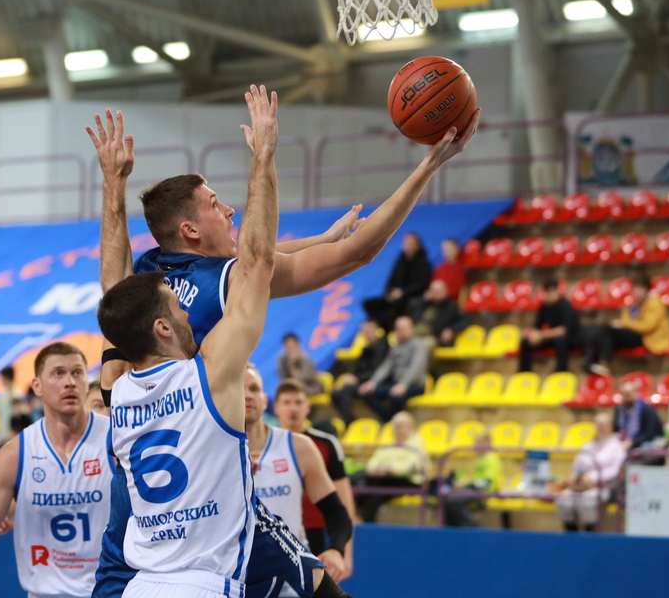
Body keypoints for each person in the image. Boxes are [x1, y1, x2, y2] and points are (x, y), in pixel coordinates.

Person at [87, 94, 476, 598]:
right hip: (205, 475)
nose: (228, 209)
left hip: (143, 470)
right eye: (215, 205)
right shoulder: (227, 283)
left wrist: (113, 183)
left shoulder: (151, 277)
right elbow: (338, 255)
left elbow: (118, 276)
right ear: (190, 229)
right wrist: (429, 165)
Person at [0, 342, 112, 598]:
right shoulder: (15, 454)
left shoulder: (116, 440)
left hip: (107, 592)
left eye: (77, 373)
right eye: (58, 373)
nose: (70, 382)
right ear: (37, 386)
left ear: (87, 381)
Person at [246, 367, 352, 587]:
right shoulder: (215, 452)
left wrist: (337, 549)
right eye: (239, 389)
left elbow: (337, 511)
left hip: (293, 572)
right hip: (238, 575)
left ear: (265, 400)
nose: (247, 395)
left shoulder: (300, 447)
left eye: (254, 389)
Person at [271, 380, 355, 570]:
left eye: (298, 402)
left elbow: (343, 501)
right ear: (276, 407)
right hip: (274, 533)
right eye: (287, 402)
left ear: (308, 406)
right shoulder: (261, 444)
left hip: (317, 533)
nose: (293, 408)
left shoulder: (326, 444)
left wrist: (344, 551)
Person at [584, 275, 669, 375]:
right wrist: (624, 323)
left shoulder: (654, 303)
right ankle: (593, 362)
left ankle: (605, 361)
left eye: (640, 289)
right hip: (633, 332)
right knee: (599, 329)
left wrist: (625, 324)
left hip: (647, 337)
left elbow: (647, 326)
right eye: (635, 289)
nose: (637, 292)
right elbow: (624, 319)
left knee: (606, 331)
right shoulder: (633, 303)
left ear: (646, 289)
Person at [553, 412, 626, 532]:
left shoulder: (616, 446)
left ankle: (590, 534)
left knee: (586, 503)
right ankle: (572, 536)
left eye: (604, 424)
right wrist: (577, 477)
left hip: (603, 486)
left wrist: (592, 478)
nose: (601, 427)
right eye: (599, 424)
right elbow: (577, 467)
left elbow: (616, 470)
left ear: (610, 426)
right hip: (581, 485)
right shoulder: (588, 446)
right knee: (564, 500)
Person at [353, 411, 428, 523]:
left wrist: (390, 469)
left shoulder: (417, 443)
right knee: (366, 482)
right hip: (385, 480)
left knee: (374, 486)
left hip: (409, 481)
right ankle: (364, 520)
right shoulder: (389, 443)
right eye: (398, 426)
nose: (401, 430)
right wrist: (376, 469)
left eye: (405, 426)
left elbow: (413, 465)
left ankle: (362, 520)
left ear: (412, 427)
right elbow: (373, 461)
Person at [351, 316, 427, 424]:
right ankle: (390, 420)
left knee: (395, 397)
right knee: (368, 393)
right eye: (398, 329)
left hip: (414, 384)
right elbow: (386, 366)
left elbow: (415, 367)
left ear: (411, 329)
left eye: (404, 329)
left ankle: (395, 422)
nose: (401, 332)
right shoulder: (396, 346)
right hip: (396, 383)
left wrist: (404, 384)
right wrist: (373, 382)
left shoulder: (419, 345)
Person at [361, 232, 433, 330]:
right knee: (368, 304)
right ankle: (384, 328)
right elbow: (390, 280)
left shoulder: (424, 264)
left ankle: (395, 328)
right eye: (406, 243)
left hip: (411, 297)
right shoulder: (400, 261)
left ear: (418, 245)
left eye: (411, 243)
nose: (408, 246)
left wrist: (402, 293)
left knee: (401, 305)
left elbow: (421, 285)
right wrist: (389, 293)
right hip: (395, 296)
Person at [330, 320, 391, 424]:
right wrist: (351, 375)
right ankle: (349, 419)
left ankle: (348, 421)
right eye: (364, 331)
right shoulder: (366, 348)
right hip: (364, 380)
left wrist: (357, 378)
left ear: (376, 330)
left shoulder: (383, 346)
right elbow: (359, 367)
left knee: (347, 390)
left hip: (377, 381)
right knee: (335, 393)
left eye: (369, 330)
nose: (367, 334)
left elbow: (378, 369)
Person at [519, 279, 580, 373]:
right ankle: (524, 372)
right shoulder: (544, 307)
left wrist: (542, 335)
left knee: (561, 341)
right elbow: (537, 326)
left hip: (570, 338)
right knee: (525, 341)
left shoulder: (565, 306)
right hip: (549, 337)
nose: (550, 294)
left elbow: (564, 330)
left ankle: (562, 372)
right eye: (547, 292)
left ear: (557, 291)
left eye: (552, 291)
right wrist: (531, 334)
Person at [442, 433, 502, 527]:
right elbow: (474, 479)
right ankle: (453, 528)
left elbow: (488, 481)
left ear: (487, 444)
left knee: (453, 501)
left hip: (485, 491)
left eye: (478, 444)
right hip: (475, 489)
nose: (476, 447)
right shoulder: (479, 459)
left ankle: (471, 526)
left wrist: (468, 486)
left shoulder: (492, 459)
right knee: (446, 498)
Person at [409, 279, 469, 348]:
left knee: (422, 345)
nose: (436, 293)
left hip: (434, 337)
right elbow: (412, 315)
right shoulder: (423, 304)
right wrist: (423, 301)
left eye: (439, 291)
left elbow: (466, 320)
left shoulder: (452, 307)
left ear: (446, 291)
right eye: (433, 291)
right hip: (414, 333)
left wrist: (451, 329)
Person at [614, 379, 664, 450]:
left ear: (636, 393)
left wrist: (632, 442)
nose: (627, 396)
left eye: (629, 393)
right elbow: (616, 429)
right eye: (625, 394)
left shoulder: (647, 409)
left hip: (647, 441)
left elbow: (650, 434)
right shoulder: (619, 410)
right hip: (625, 443)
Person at [0, 366, 24, 446]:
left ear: (7, 378)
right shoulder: (1, 395)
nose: (2, 381)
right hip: (1, 436)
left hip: (14, 437)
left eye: (2, 378)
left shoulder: (18, 395)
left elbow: (21, 417)